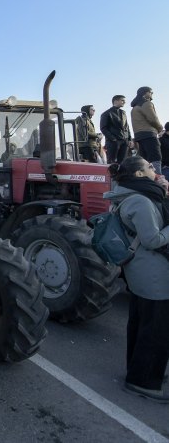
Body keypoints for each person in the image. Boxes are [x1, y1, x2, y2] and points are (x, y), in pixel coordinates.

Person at [104, 156, 169, 403]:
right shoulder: (140, 201)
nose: (154, 169)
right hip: (153, 273)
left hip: (143, 272)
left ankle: (139, 372)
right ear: (139, 175)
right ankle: (143, 382)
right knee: (156, 330)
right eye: (149, 167)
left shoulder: (134, 195)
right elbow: (152, 239)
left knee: (142, 324)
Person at [131, 87, 163, 174]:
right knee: (155, 158)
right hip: (149, 134)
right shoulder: (146, 103)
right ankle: (157, 180)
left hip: (139, 136)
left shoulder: (134, 107)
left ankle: (145, 179)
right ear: (145, 93)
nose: (152, 94)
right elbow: (153, 119)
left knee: (144, 160)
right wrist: (160, 128)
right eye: (151, 92)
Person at [101, 95, 133, 163]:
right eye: (122, 100)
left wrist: (129, 139)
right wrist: (113, 139)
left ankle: (122, 174)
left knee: (123, 162)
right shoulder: (106, 113)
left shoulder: (123, 112)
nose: (124, 102)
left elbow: (127, 127)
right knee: (112, 162)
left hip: (124, 141)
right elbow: (103, 128)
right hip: (113, 142)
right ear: (115, 101)